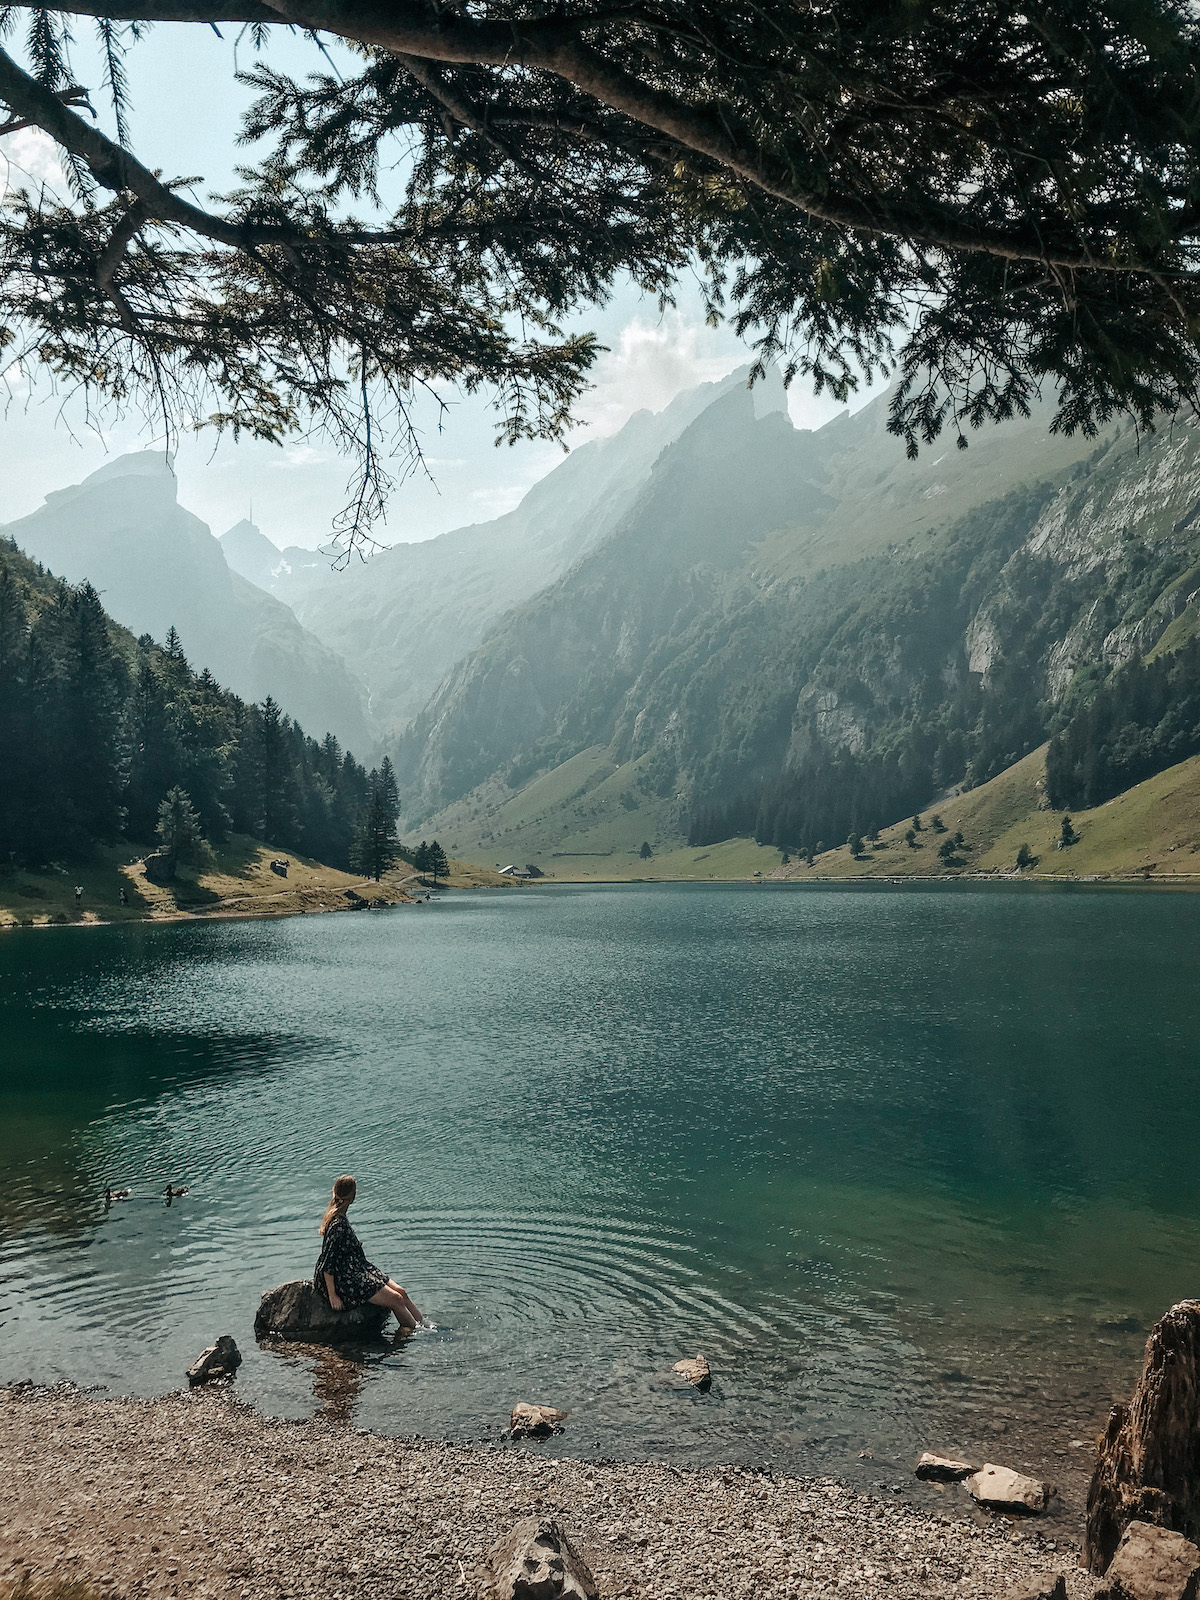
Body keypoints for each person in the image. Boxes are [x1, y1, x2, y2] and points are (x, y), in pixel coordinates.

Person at [313, 1175, 423, 1330]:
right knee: (396, 1300)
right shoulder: (338, 1225)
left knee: (401, 1292)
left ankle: (426, 1326)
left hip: (356, 1268)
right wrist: (333, 1295)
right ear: (353, 1197)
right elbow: (328, 1262)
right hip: (344, 1277)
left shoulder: (340, 1217)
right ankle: (416, 1332)